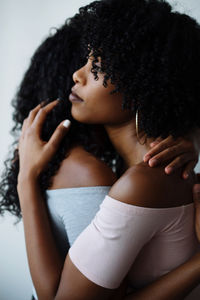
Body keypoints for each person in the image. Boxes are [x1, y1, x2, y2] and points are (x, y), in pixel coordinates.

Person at [5, 1, 200, 299]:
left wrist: (26, 181)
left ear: (140, 84)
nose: (76, 75)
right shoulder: (145, 166)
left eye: (97, 67)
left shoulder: (143, 180)